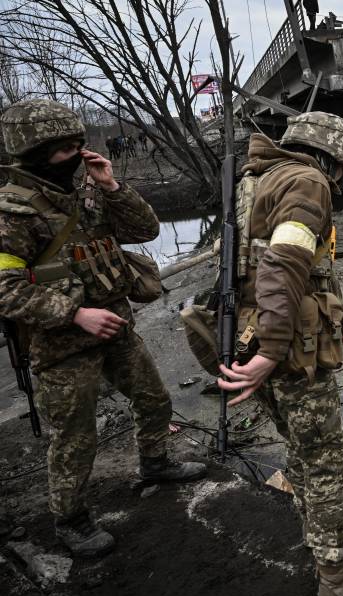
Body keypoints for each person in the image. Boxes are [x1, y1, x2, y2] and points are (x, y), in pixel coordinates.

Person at [0, 99, 207, 557]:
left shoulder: (86, 194)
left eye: (79, 145)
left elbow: (146, 229)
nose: (75, 155)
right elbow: (6, 288)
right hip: (62, 345)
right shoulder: (12, 214)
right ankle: (71, 519)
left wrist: (111, 184)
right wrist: (74, 314)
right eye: (64, 149)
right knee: (75, 435)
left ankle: (155, 464)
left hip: (116, 326)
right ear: (34, 153)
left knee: (154, 398)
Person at [215, 112, 343, 596]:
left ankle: (318, 527)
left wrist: (342, 323)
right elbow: (283, 267)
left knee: (301, 447)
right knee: (328, 460)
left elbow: (290, 269)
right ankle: (339, 574)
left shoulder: (257, 179)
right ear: (333, 157)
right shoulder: (307, 181)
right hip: (288, 347)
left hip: (258, 335)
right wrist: (275, 350)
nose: (341, 180)